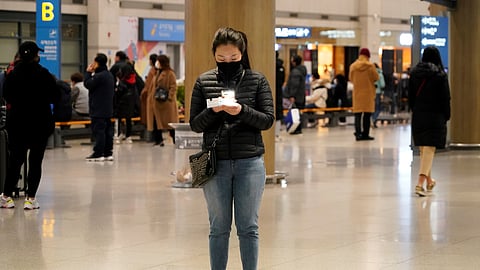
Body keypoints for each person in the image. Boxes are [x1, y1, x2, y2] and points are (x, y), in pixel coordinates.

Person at [189, 27, 274, 270]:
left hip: (250, 162)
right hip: (215, 163)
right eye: (221, 58)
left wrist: (242, 110)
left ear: (242, 54)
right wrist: (212, 111)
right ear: (214, 54)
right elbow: (195, 124)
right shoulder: (204, 81)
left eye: (234, 58)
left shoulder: (257, 80)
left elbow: (268, 120)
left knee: (248, 227)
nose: (228, 62)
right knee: (218, 227)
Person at [1, 41, 60, 209]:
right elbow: (55, 96)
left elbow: (6, 95)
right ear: (36, 56)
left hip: (17, 123)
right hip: (39, 123)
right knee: (35, 161)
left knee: (15, 160)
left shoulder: (12, 75)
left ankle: (6, 196)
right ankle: (30, 199)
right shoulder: (44, 74)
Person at [408, 46, 450, 197]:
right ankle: (419, 184)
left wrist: (415, 110)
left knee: (424, 149)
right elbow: (445, 98)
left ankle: (429, 181)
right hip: (435, 115)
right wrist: (447, 114)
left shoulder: (413, 73)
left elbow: (410, 97)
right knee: (430, 148)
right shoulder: (440, 75)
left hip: (419, 114)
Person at [84, 53, 115, 161]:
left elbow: (88, 84)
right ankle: (108, 152)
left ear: (96, 63)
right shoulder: (109, 75)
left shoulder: (99, 76)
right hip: (108, 109)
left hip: (98, 109)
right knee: (108, 131)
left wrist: (88, 73)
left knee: (99, 131)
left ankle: (98, 153)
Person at [145, 54, 178, 146]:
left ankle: (175, 140)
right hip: (156, 102)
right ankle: (158, 140)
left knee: (170, 124)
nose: (157, 63)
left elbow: (173, 86)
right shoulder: (157, 72)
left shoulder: (170, 73)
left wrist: (169, 97)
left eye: (158, 61)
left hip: (166, 103)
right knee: (156, 122)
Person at [349, 48, 379, 141]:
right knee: (367, 115)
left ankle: (358, 134)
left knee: (357, 115)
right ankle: (365, 134)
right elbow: (376, 77)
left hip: (357, 93)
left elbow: (351, 78)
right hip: (368, 93)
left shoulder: (353, 66)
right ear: (368, 56)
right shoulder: (371, 66)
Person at [284, 54, 307, 134]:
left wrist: (292, 95)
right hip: (301, 95)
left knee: (295, 112)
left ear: (294, 62)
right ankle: (298, 128)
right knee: (297, 112)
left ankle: (296, 128)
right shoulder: (302, 70)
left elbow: (294, 85)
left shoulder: (295, 72)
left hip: (296, 96)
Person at [140, 53, 157, 126]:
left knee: (149, 119)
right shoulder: (157, 71)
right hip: (153, 97)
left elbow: (148, 86)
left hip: (149, 98)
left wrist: (142, 94)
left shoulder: (152, 71)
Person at [275, 51, 285, 138]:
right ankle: (277, 134)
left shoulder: (271, 66)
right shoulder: (281, 67)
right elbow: (282, 80)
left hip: (272, 90)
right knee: (278, 112)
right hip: (279, 91)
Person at [372, 63, 386, 128]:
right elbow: (383, 84)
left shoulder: (370, 74)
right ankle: (374, 119)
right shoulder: (379, 74)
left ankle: (371, 119)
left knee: (372, 107)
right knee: (377, 108)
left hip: (371, 93)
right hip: (378, 92)